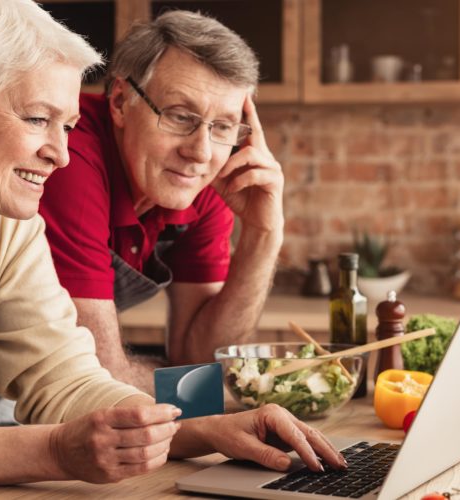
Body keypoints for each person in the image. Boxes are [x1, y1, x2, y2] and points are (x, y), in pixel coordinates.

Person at [0, 0, 344, 489]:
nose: (61, 155)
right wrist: (55, 449)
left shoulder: (1, 218)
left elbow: (65, 378)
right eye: (36, 119)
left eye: (67, 126)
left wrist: (209, 431)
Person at [38, 11, 284, 392]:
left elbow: (203, 356)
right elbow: (98, 379)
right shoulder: (71, 154)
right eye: (180, 116)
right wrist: (202, 393)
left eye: (222, 127)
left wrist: (263, 233)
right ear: (120, 101)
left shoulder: (205, 178)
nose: (200, 152)